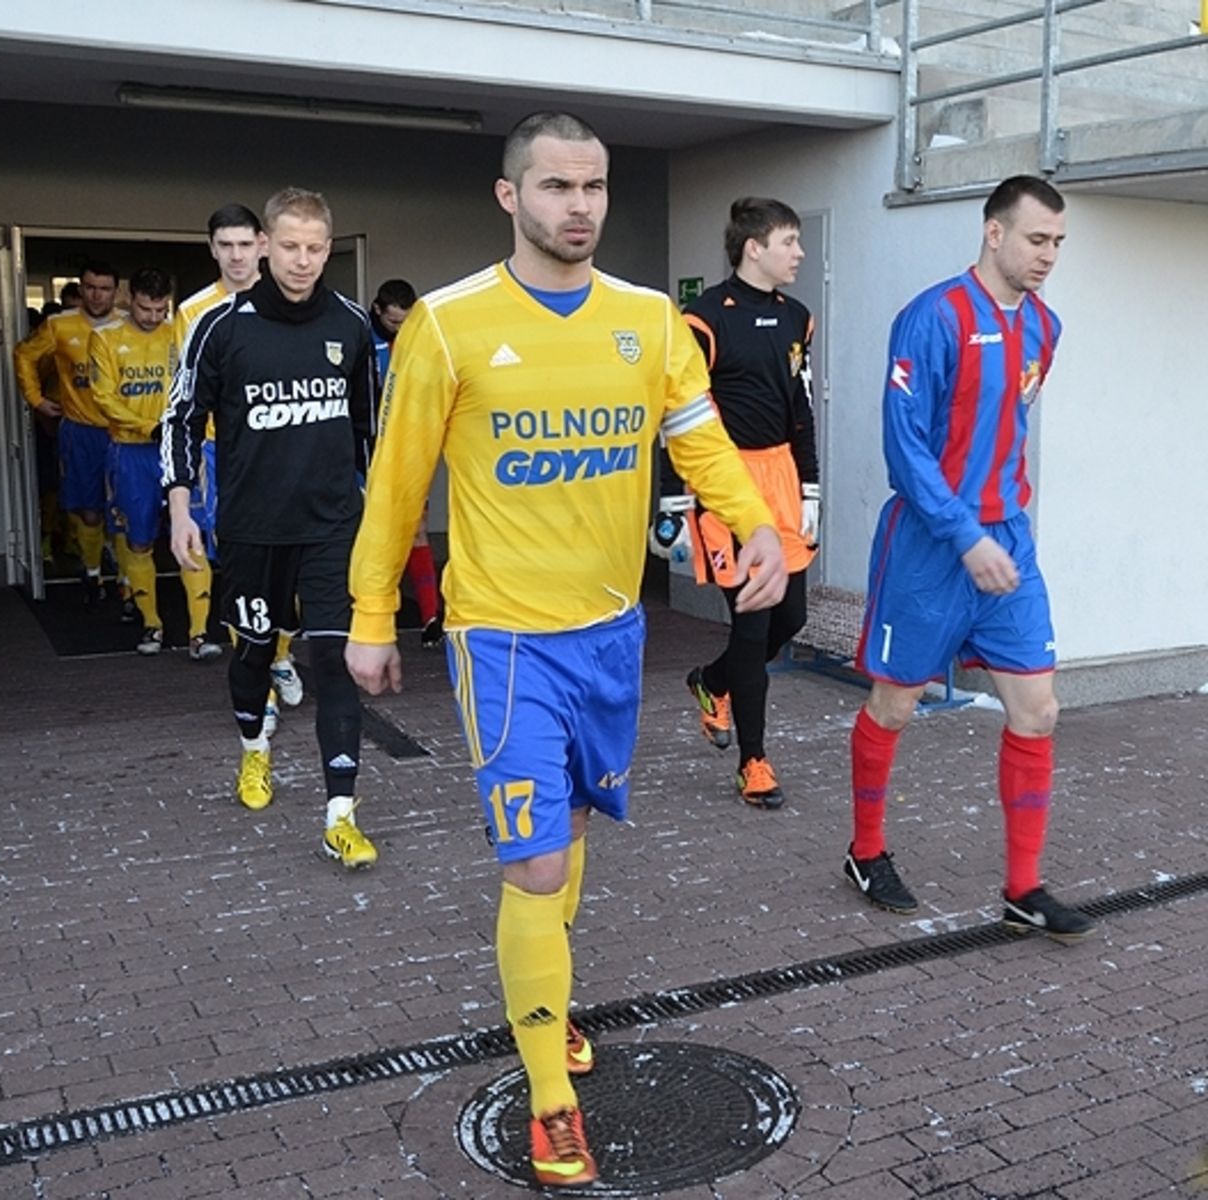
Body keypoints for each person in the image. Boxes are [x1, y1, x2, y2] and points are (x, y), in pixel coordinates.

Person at [344, 112, 787, 1188]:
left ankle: (547, 1000)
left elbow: (697, 443)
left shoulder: (648, 321)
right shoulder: (445, 326)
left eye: (591, 186)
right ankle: (548, 1096)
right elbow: (396, 485)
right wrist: (366, 617)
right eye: (553, 187)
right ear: (510, 197)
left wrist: (761, 525)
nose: (576, 205)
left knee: (573, 830)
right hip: (500, 639)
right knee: (534, 859)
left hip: (609, 633)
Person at [843, 175, 1094, 944]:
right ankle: (865, 850)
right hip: (931, 546)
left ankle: (1023, 888)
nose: (1048, 255)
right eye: (1035, 239)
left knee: (1039, 710)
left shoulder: (1045, 328)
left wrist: (997, 529)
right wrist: (963, 533)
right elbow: (905, 447)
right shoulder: (932, 317)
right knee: (896, 704)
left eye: (1057, 242)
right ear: (993, 233)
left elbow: (1005, 423)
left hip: (1007, 541)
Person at [162, 188, 380, 866]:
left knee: (336, 660)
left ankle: (340, 811)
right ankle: (255, 750)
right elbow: (179, 419)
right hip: (253, 528)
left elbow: (369, 432)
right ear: (262, 246)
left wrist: (381, 520)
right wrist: (180, 509)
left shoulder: (348, 325)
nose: (303, 260)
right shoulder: (221, 328)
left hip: (331, 527)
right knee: (254, 653)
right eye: (289, 246)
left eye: (316, 248)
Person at [675, 198, 820, 809]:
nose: (800, 253)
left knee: (791, 619)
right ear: (753, 247)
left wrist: (811, 486)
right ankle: (754, 762)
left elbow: (801, 406)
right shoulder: (702, 319)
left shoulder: (798, 317)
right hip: (728, 483)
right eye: (789, 241)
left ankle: (713, 681)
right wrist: (675, 499)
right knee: (754, 621)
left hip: (783, 477)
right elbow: (677, 417)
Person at [172, 205, 292, 693]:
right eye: (226, 245)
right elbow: (186, 399)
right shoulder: (194, 312)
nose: (237, 256)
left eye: (245, 244)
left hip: (283, 449)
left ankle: (281, 656)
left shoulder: (291, 300)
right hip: (223, 455)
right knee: (239, 561)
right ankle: (255, 670)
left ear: (262, 244)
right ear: (212, 249)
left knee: (285, 560)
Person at [89, 267, 220, 660]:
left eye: (160, 309)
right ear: (131, 299)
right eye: (146, 308)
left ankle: (199, 633)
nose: (152, 316)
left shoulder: (180, 333)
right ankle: (152, 624)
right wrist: (148, 427)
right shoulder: (105, 338)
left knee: (194, 536)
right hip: (133, 451)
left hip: (183, 448)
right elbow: (103, 397)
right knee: (139, 538)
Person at [14, 260, 119, 606]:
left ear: (115, 292)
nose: (97, 294)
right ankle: (92, 572)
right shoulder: (60, 325)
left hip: (125, 432)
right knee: (89, 508)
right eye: (90, 287)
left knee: (124, 510)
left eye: (104, 288)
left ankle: (127, 578)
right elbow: (24, 355)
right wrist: (36, 399)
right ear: (81, 288)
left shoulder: (130, 324)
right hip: (81, 430)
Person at [368, 278, 443, 648]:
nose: (401, 328)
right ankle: (369, 619)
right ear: (378, 311)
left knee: (416, 531)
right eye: (395, 322)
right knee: (363, 533)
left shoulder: (420, 337)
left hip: (411, 447)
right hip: (366, 451)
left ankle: (430, 617)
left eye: (406, 321)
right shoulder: (360, 339)